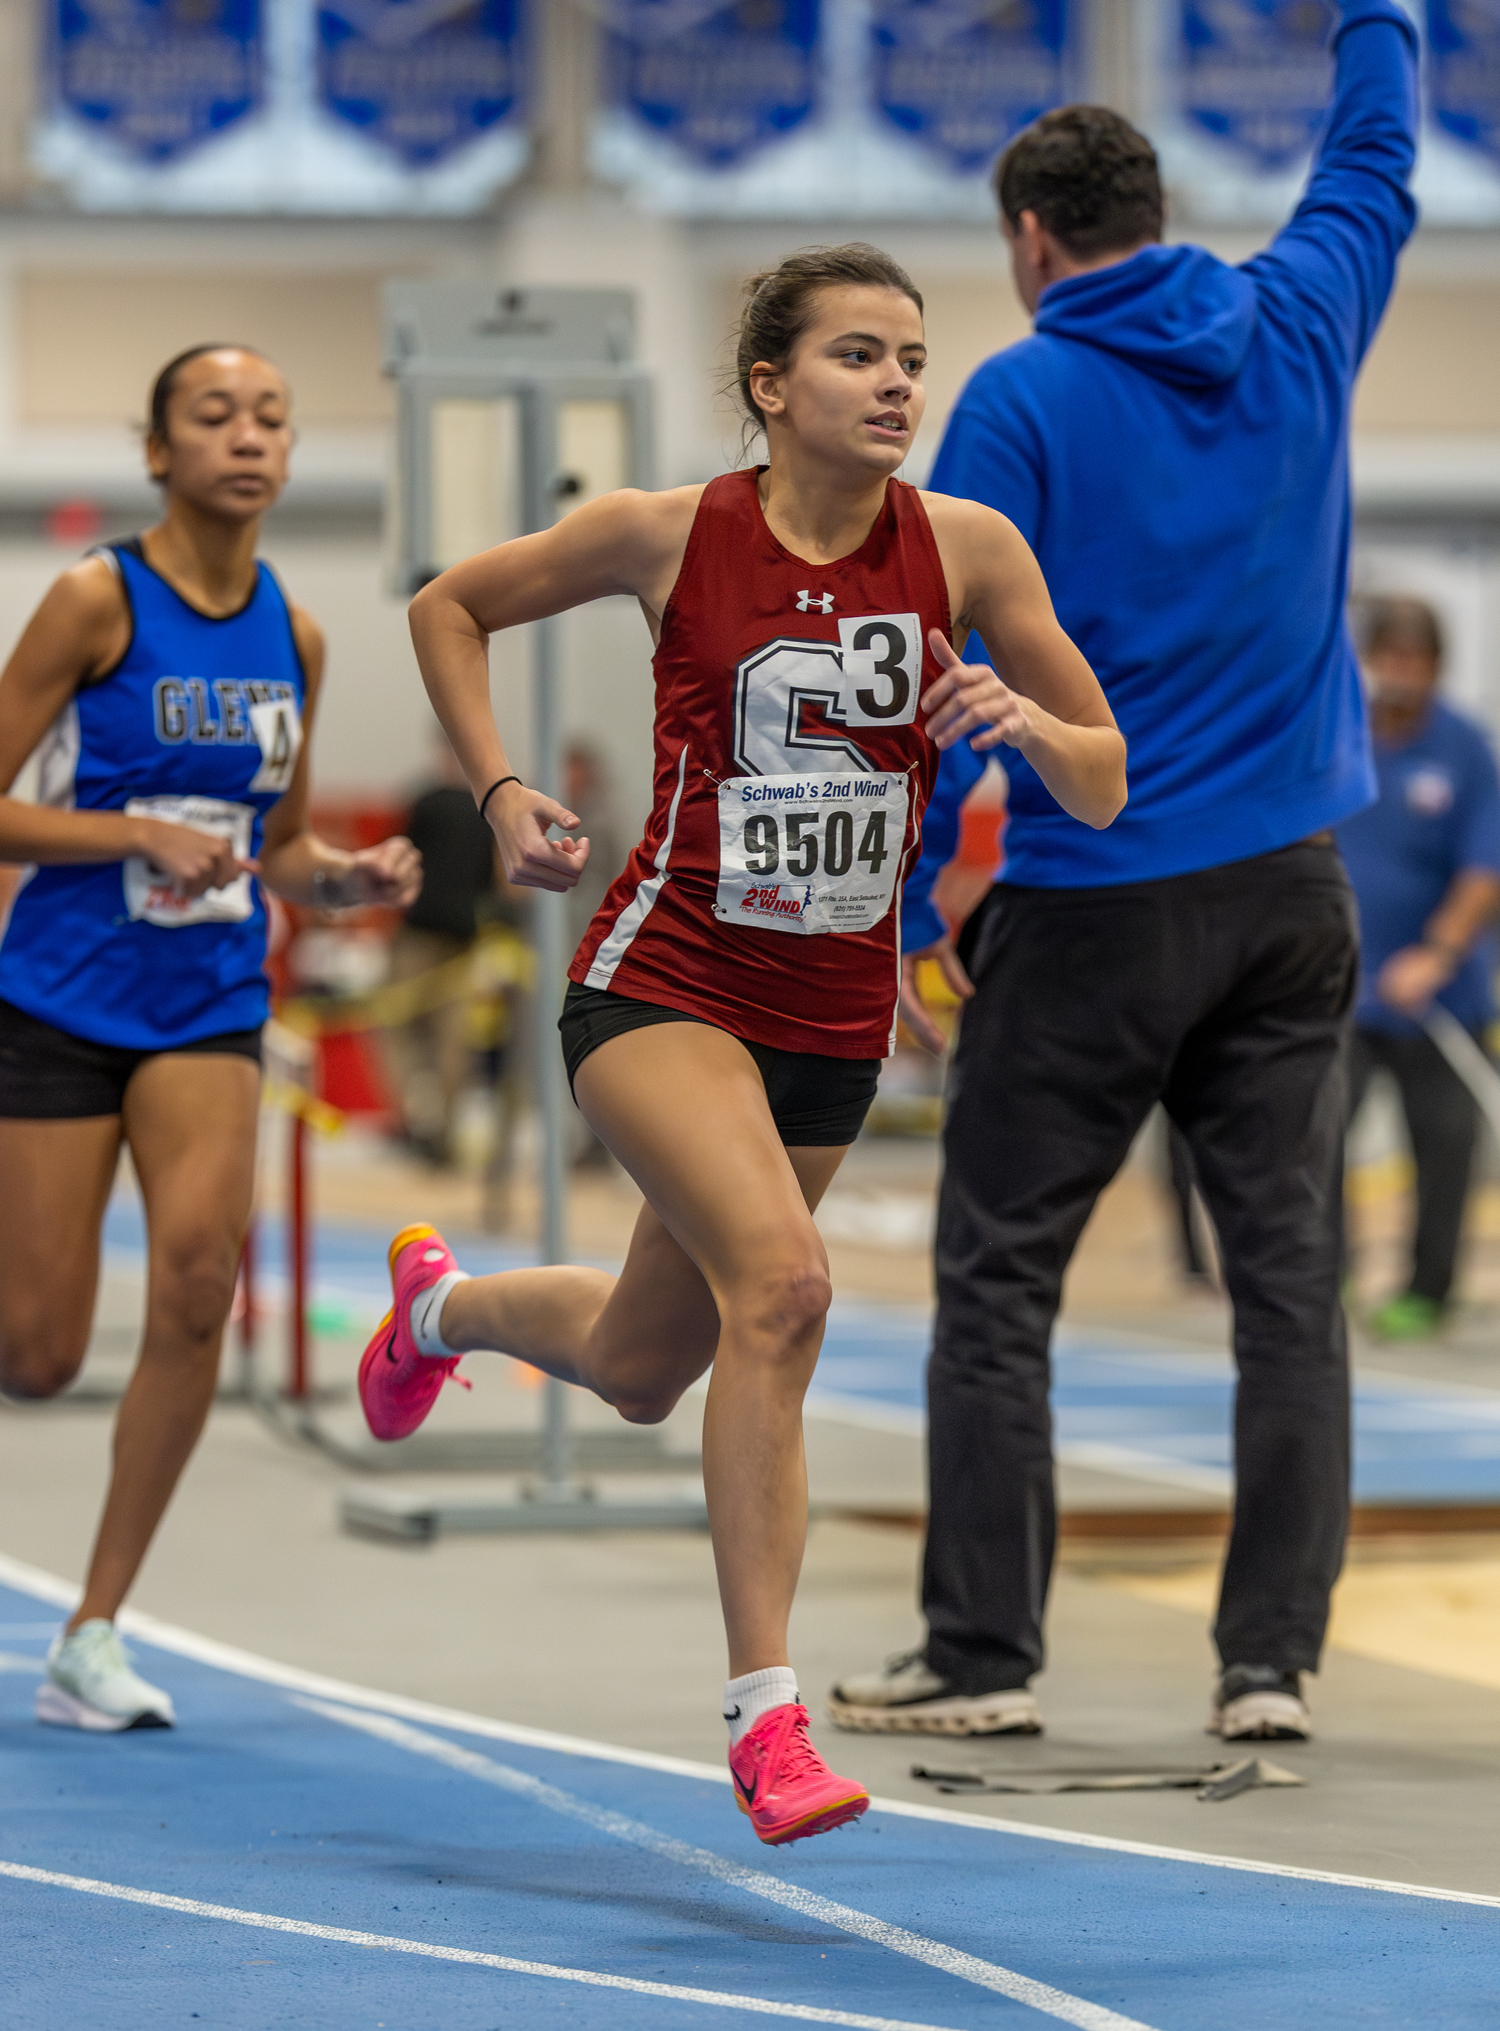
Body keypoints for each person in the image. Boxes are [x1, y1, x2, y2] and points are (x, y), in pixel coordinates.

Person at [355, 243, 1124, 1845]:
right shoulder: (669, 531)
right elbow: (449, 603)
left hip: (830, 1025)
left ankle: (440, 1305)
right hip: (665, 982)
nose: (899, 382)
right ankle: (767, 1717)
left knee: (647, 1365)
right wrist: (501, 788)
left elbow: (1107, 774)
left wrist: (1025, 725)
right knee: (783, 1288)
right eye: (859, 356)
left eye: (914, 356)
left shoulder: (970, 550)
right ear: (772, 386)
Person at [829, 0, 1418, 1746]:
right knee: (1288, 1289)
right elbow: (1373, 158)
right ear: (1152, 211)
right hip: (1295, 900)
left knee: (1000, 1277)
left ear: (1030, 241)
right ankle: (1270, 1671)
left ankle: (986, 1658)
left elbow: (934, 660)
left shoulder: (1018, 396)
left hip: (1092, 899)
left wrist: (922, 899)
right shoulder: (1303, 313)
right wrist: (1374, 12)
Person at [0, 343, 420, 1731]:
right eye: (214, 414)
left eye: (271, 416)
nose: (247, 435)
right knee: (39, 1352)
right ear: (159, 450)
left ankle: (93, 1628)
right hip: (61, 997)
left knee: (195, 1283)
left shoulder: (296, 630)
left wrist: (344, 875)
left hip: (212, 1003)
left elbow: (281, 842)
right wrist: (128, 828)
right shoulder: (91, 601)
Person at [1339, 597, 1500, 1339]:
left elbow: (1483, 869)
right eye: (1390, 656)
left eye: (1416, 658)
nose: (1401, 672)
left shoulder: (1464, 748)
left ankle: (1428, 1291)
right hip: (1340, 988)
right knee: (1312, 1131)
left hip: (1438, 994)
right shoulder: (1340, 735)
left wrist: (1436, 952)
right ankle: (1323, 1277)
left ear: (1436, 666)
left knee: (1443, 1145)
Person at [384, 730, 497, 1166]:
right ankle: (439, 1129)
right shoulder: (489, 806)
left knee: (401, 1031)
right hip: (464, 934)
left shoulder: (427, 802)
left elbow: (401, 864)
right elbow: (498, 876)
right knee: (452, 1041)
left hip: (423, 933)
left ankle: (417, 1121)